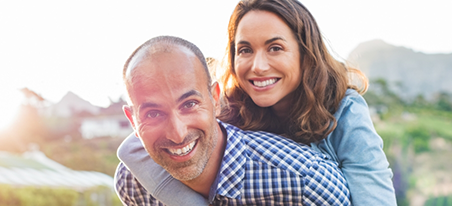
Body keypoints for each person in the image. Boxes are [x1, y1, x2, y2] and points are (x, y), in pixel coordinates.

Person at [119, 0, 396, 205]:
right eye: (245, 50)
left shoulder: (344, 109)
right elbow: (133, 147)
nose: (258, 66)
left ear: (305, 52)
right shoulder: (229, 104)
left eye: (275, 48)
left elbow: (374, 192)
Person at [114, 35, 351, 205]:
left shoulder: (305, 184)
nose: (177, 133)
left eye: (190, 104)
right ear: (132, 121)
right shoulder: (133, 184)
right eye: (153, 114)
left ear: (215, 100)